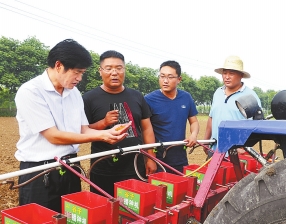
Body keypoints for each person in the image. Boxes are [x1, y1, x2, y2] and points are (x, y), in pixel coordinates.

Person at [14, 39, 130, 213]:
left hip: (70, 166)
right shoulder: (31, 91)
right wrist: (100, 136)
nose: (80, 78)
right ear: (59, 65)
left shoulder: (74, 93)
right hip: (40, 171)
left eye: (82, 73)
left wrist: (109, 132)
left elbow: (83, 129)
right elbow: (53, 135)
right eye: (77, 72)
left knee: (72, 223)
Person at [83, 50, 157, 196]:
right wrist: (103, 123)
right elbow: (83, 130)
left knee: (134, 210)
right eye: (109, 68)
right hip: (103, 167)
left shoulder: (137, 96)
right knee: (104, 209)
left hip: (135, 164)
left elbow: (147, 129)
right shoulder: (89, 99)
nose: (114, 73)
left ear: (124, 70)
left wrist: (151, 158)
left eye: (119, 68)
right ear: (100, 71)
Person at [145, 60, 199, 173]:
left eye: (170, 77)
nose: (165, 81)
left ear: (179, 79)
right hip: (159, 159)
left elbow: (193, 121)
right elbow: (144, 131)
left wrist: (193, 135)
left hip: (180, 157)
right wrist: (151, 159)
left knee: (182, 189)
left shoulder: (186, 97)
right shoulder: (149, 100)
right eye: (162, 76)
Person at [204, 55, 262, 153]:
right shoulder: (218, 92)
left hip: (236, 154)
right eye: (224, 73)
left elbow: (257, 125)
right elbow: (211, 118)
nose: (227, 77)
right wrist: (206, 141)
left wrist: (244, 147)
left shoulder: (250, 95)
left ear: (241, 75)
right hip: (215, 150)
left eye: (231, 73)